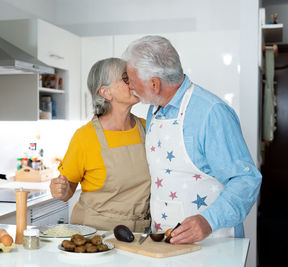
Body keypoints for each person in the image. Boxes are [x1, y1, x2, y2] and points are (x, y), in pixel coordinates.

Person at [122, 35, 262, 243]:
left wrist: (208, 221)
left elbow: (246, 180)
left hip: (213, 243)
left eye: (132, 81)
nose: (130, 87)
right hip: (166, 245)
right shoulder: (154, 111)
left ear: (154, 84)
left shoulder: (211, 113)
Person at [49, 58, 151, 232]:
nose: (135, 82)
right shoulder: (85, 137)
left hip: (139, 232)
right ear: (105, 92)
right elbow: (68, 191)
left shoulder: (147, 128)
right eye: (126, 78)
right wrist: (61, 189)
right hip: (95, 234)